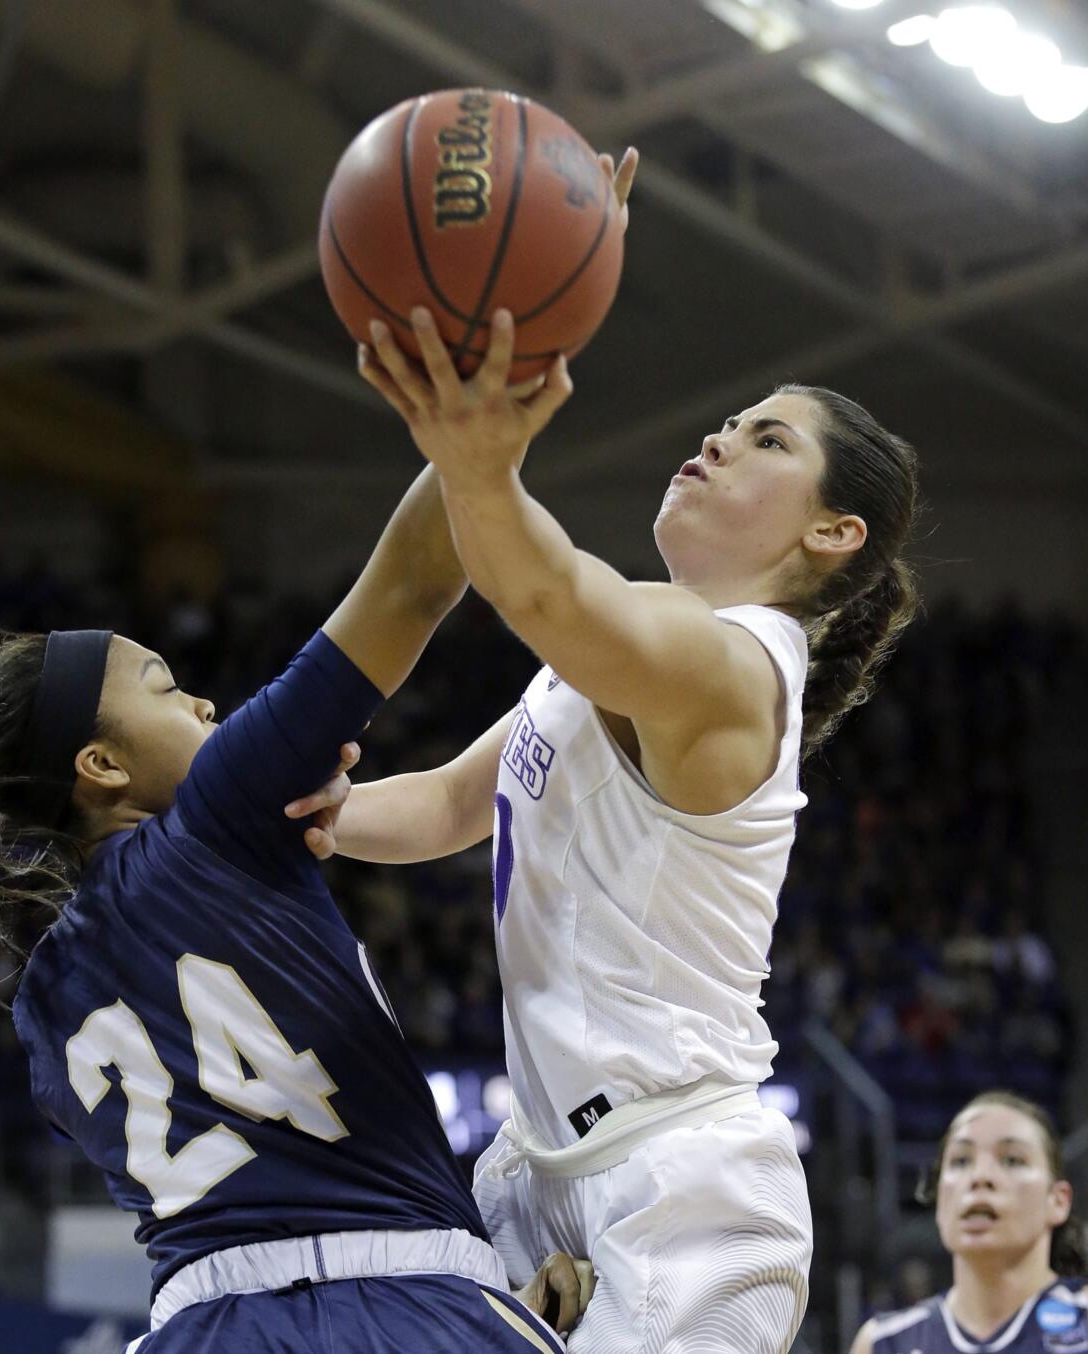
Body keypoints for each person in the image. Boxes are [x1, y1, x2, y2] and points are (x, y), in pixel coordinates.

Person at [291, 214, 922, 1352]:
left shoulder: (731, 666)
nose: (720, 438)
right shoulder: (629, 639)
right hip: (532, 1169)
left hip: (682, 1180)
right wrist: (299, 818)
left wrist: (480, 452)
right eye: (727, 421)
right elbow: (443, 802)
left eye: (767, 440)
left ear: (833, 530)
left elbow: (545, 593)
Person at [0, 462, 592, 1351]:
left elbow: (277, 1201)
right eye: (167, 688)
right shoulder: (217, 819)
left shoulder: (42, 1005)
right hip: (410, 1309)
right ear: (102, 767)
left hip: (200, 1327)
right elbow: (412, 578)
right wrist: (472, 425)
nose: (204, 700)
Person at [850, 1090, 1087, 1353]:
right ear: (939, 1198)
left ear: (1058, 1200)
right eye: (961, 1161)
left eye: (1012, 1159)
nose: (980, 1176)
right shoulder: (882, 1342)